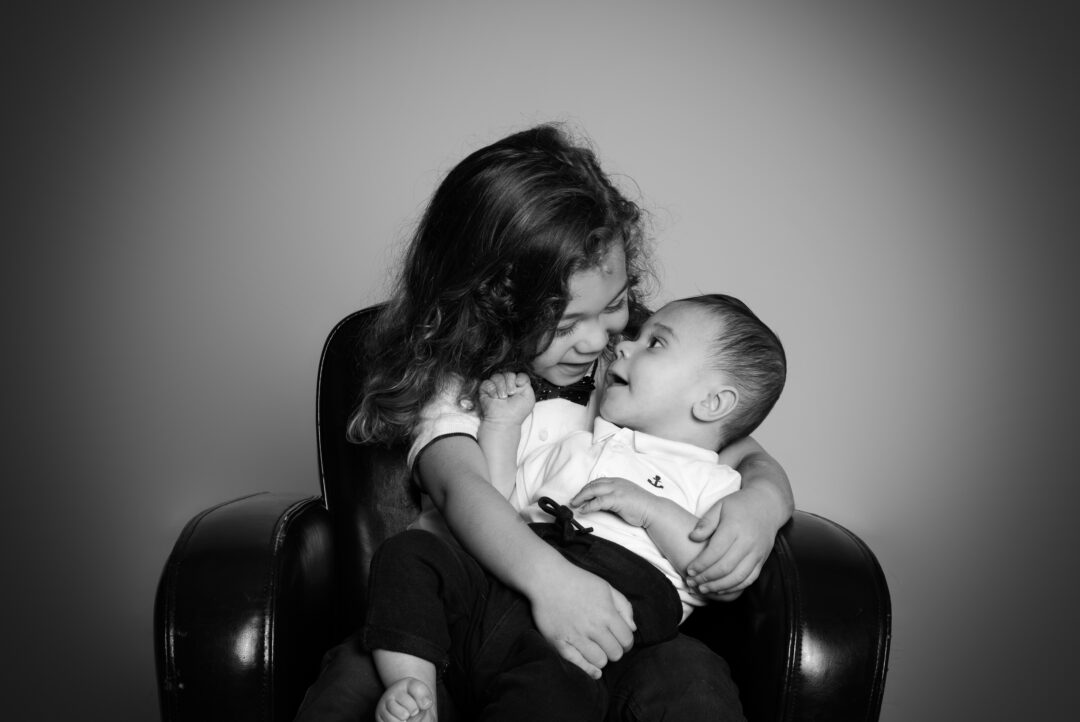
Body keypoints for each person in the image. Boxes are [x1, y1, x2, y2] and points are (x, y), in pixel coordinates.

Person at [293, 124, 793, 722]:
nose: (598, 340)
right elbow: (465, 490)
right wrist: (553, 583)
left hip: (616, 619)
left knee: (693, 681)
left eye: (614, 305)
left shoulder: (626, 368)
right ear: (491, 308)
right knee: (355, 679)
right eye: (563, 325)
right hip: (476, 600)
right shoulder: (456, 384)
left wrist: (762, 505)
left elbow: (737, 449)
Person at [366, 294, 787, 722]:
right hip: (510, 587)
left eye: (655, 343)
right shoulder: (578, 445)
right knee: (409, 553)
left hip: (601, 628)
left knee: (556, 689)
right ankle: (412, 687)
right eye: (638, 336)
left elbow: (718, 575)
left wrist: (650, 510)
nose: (624, 345)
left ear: (712, 403)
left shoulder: (717, 481)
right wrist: (502, 425)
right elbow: (495, 500)